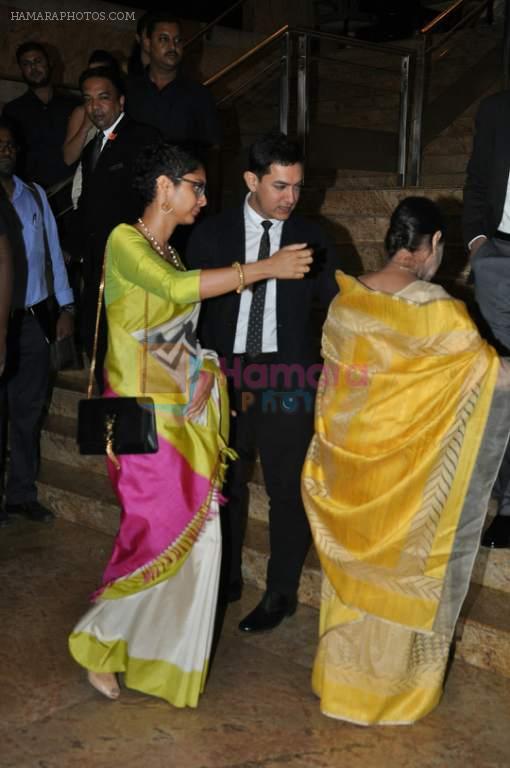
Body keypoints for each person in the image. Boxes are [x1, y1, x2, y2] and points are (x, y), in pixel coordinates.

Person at [68, 141, 313, 705]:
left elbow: (174, 334)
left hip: (185, 414)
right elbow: (177, 295)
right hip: (143, 419)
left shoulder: (170, 253)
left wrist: (204, 366)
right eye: (195, 187)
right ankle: (97, 645)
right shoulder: (125, 242)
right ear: (163, 188)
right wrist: (261, 270)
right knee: (152, 538)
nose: (203, 198)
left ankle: (162, 661)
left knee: (197, 547)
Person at [302, 196, 510, 726]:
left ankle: (340, 684)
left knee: (353, 580)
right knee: (396, 583)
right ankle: (388, 696)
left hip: (351, 473)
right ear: (434, 244)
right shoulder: (436, 311)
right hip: (408, 479)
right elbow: (491, 380)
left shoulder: (346, 303)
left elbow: (332, 390)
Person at [187, 131, 339, 633]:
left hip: (286, 374)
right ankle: (226, 578)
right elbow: (192, 309)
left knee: (285, 487)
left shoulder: (314, 237)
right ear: (251, 180)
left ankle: (280, 593)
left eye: (296, 186)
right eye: (279, 186)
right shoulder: (212, 234)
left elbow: (341, 305)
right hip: (226, 371)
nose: (290, 198)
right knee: (226, 481)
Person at [0, 118, 74, 526]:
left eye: (11, 144)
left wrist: (65, 308)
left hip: (31, 321)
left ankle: (21, 494)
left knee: (27, 412)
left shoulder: (35, 195)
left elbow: (53, 253)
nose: (6, 150)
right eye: (0, 145)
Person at [75, 66, 158, 392]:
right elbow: (89, 204)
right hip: (98, 262)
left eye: (103, 97)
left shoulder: (143, 137)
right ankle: (107, 412)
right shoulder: (91, 148)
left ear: (120, 101)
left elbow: (155, 199)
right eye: (88, 100)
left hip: (132, 263)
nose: (95, 106)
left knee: (130, 344)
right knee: (98, 338)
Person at [463, 89, 510, 548]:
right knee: (501, 384)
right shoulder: (496, 107)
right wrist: (478, 243)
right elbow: (477, 180)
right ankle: (507, 501)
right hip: (498, 256)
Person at [2, 41, 78, 189]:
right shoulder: (13, 111)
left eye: (38, 61)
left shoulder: (73, 105)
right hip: (31, 194)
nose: (33, 67)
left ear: (49, 63)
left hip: (71, 192)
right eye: (26, 64)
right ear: (21, 69)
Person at [63, 50, 121, 210]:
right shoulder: (82, 111)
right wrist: (85, 126)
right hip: (87, 184)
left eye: (102, 72)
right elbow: (68, 158)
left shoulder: (123, 107)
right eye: (90, 72)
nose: (95, 77)